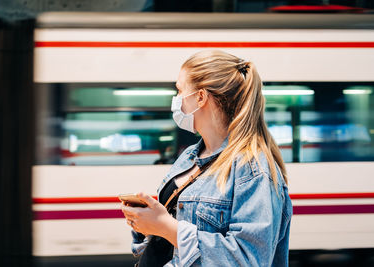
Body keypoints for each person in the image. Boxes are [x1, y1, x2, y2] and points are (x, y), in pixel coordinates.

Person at [120, 50, 293, 266]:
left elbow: (248, 259)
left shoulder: (252, 168)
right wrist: (147, 225)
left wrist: (166, 227)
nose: (176, 100)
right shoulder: (189, 156)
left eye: (180, 91)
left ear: (201, 97)